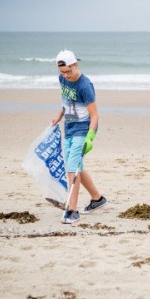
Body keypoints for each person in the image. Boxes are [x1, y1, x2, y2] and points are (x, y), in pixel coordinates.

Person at [51, 49, 107, 224]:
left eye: (69, 71)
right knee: (77, 166)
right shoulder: (62, 79)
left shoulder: (85, 85)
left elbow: (95, 115)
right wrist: (59, 115)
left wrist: (90, 137)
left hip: (84, 129)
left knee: (71, 168)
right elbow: (66, 101)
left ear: (76, 64)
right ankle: (97, 199)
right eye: (63, 72)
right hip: (69, 127)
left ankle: (72, 210)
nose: (66, 75)